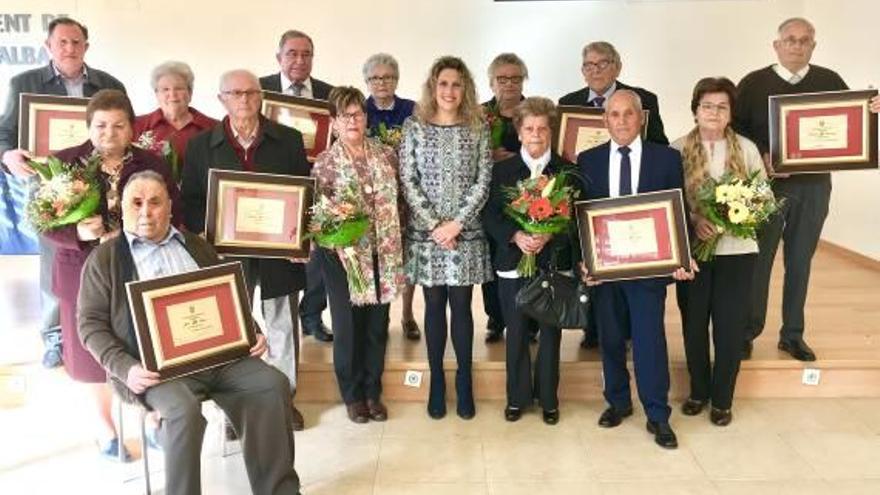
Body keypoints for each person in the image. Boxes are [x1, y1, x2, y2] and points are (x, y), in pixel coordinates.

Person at [78, 170, 301, 495]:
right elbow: (90, 324)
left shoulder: (196, 246)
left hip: (221, 359)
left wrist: (252, 332)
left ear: (170, 206)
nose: (145, 211)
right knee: (181, 411)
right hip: (156, 370)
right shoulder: (104, 260)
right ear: (121, 208)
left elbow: (229, 296)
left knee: (271, 385)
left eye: (155, 202)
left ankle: (280, 491)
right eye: (136, 203)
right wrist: (126, 368)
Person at [43, 89, 180, 459]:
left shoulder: (153, 163)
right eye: (101, 125)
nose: (109, 133)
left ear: (131, 128)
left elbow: (175, 212)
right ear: (88, 126)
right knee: (91, 355)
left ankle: (152, 419)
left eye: (119, 125)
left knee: (145, 345)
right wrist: (77, 233)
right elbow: (42, 222)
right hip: (81, 271)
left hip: (142, 267)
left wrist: (145, 229)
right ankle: (106, 428)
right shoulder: (64, 164)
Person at [735, 17, 880, 361]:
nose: (797, 46)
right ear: (777, 45)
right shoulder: (753, 84)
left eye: (804, 41)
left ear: (813, 46)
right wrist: (762, 157)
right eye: (790, 39)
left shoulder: (830, 81)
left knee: (800, 262)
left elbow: (852, 126)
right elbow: (735, 134)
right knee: (760, 263)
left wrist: (872, 111)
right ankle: (746, 332)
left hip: (814, 187)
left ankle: (792, 334)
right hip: (764, 189)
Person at [181, 69, 310, 430]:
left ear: (261, 97)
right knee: (233, 333)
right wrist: (210, 238)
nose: (244, 100)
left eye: (251, 93)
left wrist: (299, 238)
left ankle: (284, 401)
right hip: (227, 255)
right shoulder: (201, 146)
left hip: (278, 254)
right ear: (221, 98)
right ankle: (235, 411)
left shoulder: (288, 140)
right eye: (235, 93)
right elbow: (191, 201)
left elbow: (304, 195)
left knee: (282, 327)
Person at [0, 17, 125, 369]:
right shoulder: (23, 83)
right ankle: (55, 337)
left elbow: (122, 128)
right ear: (48, 47)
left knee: (104, 260)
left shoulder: (108, 85)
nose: (69, 48)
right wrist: (7, 155)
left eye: (76, 42)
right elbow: (4, 134)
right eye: (62, 42)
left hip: (102, 185)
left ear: (87, 45)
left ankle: (109, 331)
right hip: (52, 190)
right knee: (55, 263)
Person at [578, 90, 694, 449]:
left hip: (649, 269)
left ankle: (657, 415)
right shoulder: (588, 160)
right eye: (615, 115)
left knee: (649, 341)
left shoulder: (666, 159)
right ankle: (618, 402)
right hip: (606, 270)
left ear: (641, 118)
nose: (623, 121)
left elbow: (679, 210)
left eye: (629, 114)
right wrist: (584, 261)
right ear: (605, 120)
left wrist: (682, 257)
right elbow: (578, 217)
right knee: (610, 339)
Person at [559, 41, 670, 350]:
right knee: (596, 264)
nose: (595, 70)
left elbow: (658, 143)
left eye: (603, 63)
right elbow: (562, 155)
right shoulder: (567, 103)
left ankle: (632, 328)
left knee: (633, 270)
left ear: (617, 66)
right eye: (589, 65)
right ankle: (594, 328)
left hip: (635, 193)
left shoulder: (644, 99)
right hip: (594, 191)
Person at [400, 56, 493, 420]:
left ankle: (464, 380)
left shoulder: (478, 127)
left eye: (456, 84)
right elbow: (409, 180)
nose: (449, 91)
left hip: (465, 235)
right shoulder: (414, 126)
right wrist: (436, 225)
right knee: (434, 307)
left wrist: (456, 224)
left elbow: (483, 181)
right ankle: (437, 380)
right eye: (443, 84)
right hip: (427, 236)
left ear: (465, 88)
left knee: (463, 308)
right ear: (432, 87)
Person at [672, 77, 766, 426]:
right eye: (707, 105)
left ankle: (723, 399)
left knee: (728, 328)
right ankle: (698, 391)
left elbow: (763, 199)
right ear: (695, 110)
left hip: (738, 252)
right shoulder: (677, 148)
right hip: (693, 252)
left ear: (731, 113)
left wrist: (731, 219)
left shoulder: (747, 148)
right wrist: (695, 219)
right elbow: (669, 203)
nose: (713, 112)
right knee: (694, 325)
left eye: (721, 106)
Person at [313, 87, 406, 423]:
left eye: (358, 113)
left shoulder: (386, 155)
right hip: (343, 259)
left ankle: (372, 391)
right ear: (334, 122)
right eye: (345, 115)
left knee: (377, 326)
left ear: (366, 117)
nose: (353, 120)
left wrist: (402, 242)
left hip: (384, 253)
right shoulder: (325, 163)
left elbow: (400, 204)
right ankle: (352, 395)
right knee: (349, 328)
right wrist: (335, 241)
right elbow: (318, 216)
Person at [482, 97, 578, 425]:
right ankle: (517, 397)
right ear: (519, 132)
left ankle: (549, 398)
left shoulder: (566, 171)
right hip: (513, 262)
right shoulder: (502, 170)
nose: (535, 134)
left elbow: (576, 220)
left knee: (551, 332)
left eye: (541, 128)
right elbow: (490, 215)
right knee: (517, 331)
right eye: (528, 128)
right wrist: (516, 236)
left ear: (551, 131)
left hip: (553, 263)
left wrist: (550, 234)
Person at [259, 29, 334, 343]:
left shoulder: (329, 94)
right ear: (279, 58)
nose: (299, 61)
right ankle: (278, 324)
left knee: (320, 254)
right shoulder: (260, 90)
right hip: (274, 185)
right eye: (292, 53)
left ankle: (312, 315)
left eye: (306, 54)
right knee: (280, 257)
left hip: (317, 182)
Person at [362, 52, 421, 341]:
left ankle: (408, 313)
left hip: (408, 194)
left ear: (396, 79)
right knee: (378, 256)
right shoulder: (359, 111)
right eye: (375, 78)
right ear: (367, 81)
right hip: (374, 198)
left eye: (387, 77)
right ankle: (378, 316)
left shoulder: (414, 110)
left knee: (408, 255)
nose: (381, 82)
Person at [481, 52, 529, 344]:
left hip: (530, 200)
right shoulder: (479, 114)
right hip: (491, 201)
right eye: (502, 79)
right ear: (491, 82)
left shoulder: (535, 110)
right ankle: (496, 318)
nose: (509, 84)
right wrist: (488, 157)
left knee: (526, 259)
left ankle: (530, 320)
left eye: (515, 78)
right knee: (492, 258)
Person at [133, 61, 218, 182]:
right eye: (165, 89)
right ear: (156, 94)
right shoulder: (137, 125)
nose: (172, 94)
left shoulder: (214, 128)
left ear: (190, 93)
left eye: (179, 88)